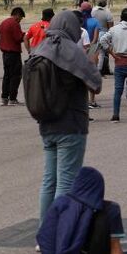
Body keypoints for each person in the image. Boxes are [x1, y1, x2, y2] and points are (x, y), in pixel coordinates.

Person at [30, 11, 103, 222]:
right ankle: (58, 232)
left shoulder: (40, 48)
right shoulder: (71, 50)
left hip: (46, 122)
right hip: (70, 124)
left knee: (49, 181)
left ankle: (45, 231)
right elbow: (95, 84)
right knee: (67, 182)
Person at [0, 7, 26, 106]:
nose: (20, 20)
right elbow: (18, 38)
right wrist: (26, 36)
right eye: (20, 18)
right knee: (15, 76)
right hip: (13, 54)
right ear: (17, 15)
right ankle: (13, 98)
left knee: (7, 76)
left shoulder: (3, 23)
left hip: (5, 54)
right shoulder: (14, 24)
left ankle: (4, 98)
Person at [92, 0, 114, 75]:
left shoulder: (93, 11)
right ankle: (100, 70)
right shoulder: (107, 12)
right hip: (103, 34)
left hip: (93, 33)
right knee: (102, 53)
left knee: (93, 52)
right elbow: (111, 26)